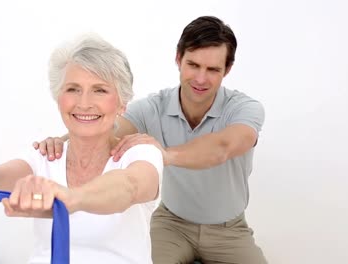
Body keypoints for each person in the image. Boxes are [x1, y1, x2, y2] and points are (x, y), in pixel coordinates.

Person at [34, 16, 267, 264]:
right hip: (171, 224)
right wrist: (61, 141)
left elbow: (223, 147)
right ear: (178, 58)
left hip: (228, 230)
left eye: (212, 70)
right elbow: (107, 125)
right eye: (193, 65)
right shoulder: (152, 108)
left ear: (227, 70)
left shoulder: (244, 108)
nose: (200, 78)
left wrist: (164, 155)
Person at [0, 34, 163, 264]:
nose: (84, 102)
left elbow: (129, 187)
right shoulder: (46, 156)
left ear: (122, 103)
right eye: (73, 89)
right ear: (58, 97)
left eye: (100, 90)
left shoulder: (139, 153)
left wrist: (72, 198)